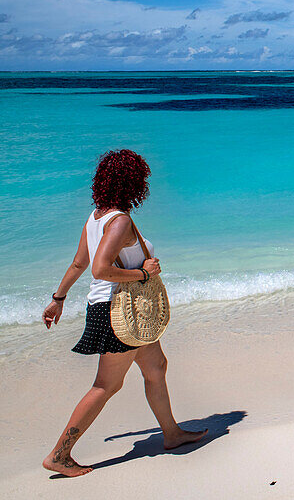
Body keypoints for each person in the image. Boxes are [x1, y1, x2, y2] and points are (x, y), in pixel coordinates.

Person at [41, 149, 205, 477]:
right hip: (117, 311)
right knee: (106, 385)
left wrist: (58, 297)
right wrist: (144, 274)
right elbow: (99, 270)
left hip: (120, 312)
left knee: (156, 367)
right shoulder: (120, 221)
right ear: (133, 183)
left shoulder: (97, 217)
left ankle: (171, 434)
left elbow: (78, 263)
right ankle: (60, 454)